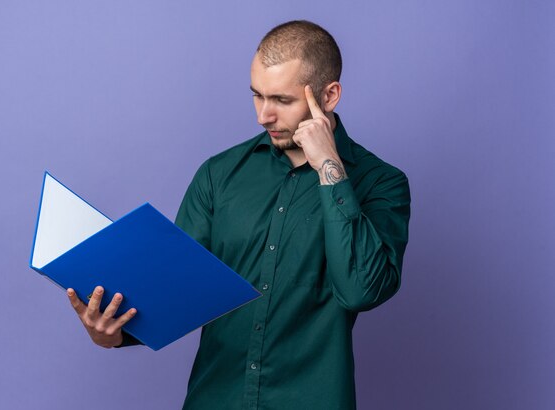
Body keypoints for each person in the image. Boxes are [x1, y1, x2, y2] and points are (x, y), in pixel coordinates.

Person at [66, 20, 410, 410]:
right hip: (215, 399)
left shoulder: (382, 184)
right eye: (256, 96)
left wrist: (330, 168)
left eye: (281, 100)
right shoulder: (218, 175)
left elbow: (361, 290)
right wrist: (111, 334)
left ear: (329, 96)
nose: (264, 115)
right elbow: (175, 289)